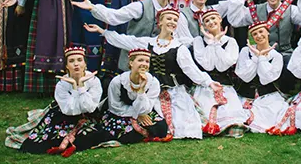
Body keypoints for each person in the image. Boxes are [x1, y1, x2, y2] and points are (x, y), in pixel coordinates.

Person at [84, 8, 218, 139]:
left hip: (173, 91)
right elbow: (124, 40)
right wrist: (102, 31)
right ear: (160, 22)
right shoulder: (148, 42)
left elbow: (191, 70)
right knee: (145, 112)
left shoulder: (179, 47)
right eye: (169, 19)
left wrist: (208, 82)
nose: (172, 22)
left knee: (182, 121)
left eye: (175, 20)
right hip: (149, 91)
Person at [73, 0, 193, 73]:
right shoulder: (140, 7)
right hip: (132, 63)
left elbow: (185, 39)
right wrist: (93, 8)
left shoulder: (174, 15)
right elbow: (114, 16)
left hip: (157, 69)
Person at [7, 46, 107, 156]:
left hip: (88, 115)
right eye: (71, 61)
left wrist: (81, 86)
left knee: (91, 137)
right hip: (65, 115)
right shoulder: (62, 84)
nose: (76, 64)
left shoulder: (94, 81)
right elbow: (69, 110)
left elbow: (90, 108)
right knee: (43, 141)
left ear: (85, 64)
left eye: (79, 60)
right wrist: (74, 87)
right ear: (67, 66)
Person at [191, 9, 247, 136]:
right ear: (203, 26)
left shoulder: (230, 41)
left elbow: (223, 66)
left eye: (213, 19)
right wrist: (211, 42)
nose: (211, 22)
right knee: (205, 107)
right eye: (207, 21)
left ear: (220, 19)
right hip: (206, 84)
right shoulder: (199, 41)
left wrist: (217, 43)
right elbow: (207, 65)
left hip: (225, 84)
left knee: (229, 112)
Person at [101, 48, 171, 144]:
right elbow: (115, 106)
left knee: (161, 128)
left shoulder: (153, 82)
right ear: (131, 63)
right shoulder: (118, 81)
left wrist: (141, 90)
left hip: (144, 112)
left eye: (147, 61)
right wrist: (136, 115)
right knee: (123, 133)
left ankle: (139, 133)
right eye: (140, 60)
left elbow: (147, 109)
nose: (144, 64)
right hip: (121, 113)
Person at [235, 22, 288, 133]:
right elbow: (245, 77)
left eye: (261, 32)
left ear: (268, 33)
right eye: (255, 34)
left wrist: (262, 58)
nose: (258, 36)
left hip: (268, 94)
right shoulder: (245, 51)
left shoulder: (276, 56)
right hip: (246, 93)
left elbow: (266, 79)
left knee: (271, 115)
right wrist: (255, 57)